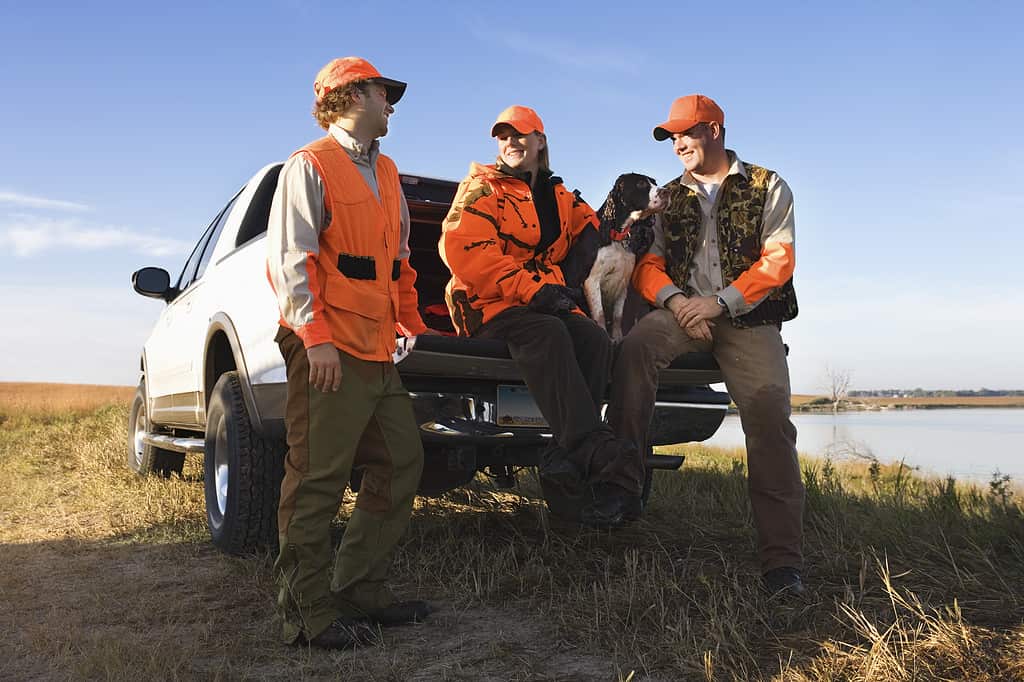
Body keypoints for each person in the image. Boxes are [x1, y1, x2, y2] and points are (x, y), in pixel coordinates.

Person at [266, 56, 434, 649]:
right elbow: (292, 261)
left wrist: (408, 318)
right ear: (353, 95)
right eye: (385, 93)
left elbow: (398, 260)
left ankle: (360, 588)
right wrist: (315, 340)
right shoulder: (309, 165)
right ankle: (306, 614)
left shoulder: (386, 171)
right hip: (328, 348)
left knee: (401, 460)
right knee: (317, 478)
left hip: (377, 350)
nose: (391, 104)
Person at [606, 94, 806, 594]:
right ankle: (621, 490)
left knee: (769, 413)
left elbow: (778, 261)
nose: (677, 144)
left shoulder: (767, 185)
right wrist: (677, 303)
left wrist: (720, 303)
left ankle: (782, 562)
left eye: (685, 133)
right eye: (671, 137)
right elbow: (647, 266)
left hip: (749, 318)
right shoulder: (667, 197)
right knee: (635, 348)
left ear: (714, 131)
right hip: (682, 314)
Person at [439, 105, 637, 527]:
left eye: (520, 134)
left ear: (540, 141)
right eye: (503, 136)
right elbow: (465, 251)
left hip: (545, 301)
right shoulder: (481, 189)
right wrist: (534, 291)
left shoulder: (561, 197)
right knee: (548, 332)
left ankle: (563, 465)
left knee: (594, 339)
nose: (511, 142)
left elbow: (604, 226)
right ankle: (595, 450)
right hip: (488, 306)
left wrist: (638, 217)